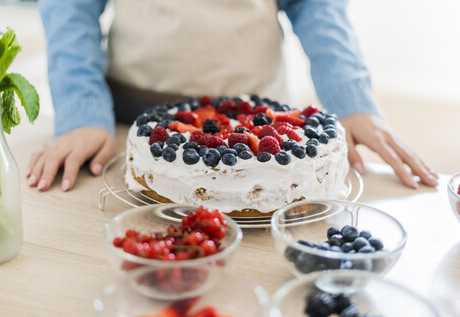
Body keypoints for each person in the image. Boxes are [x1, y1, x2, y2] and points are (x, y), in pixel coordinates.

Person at [29, 0, 438, 192]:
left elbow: (317, 6)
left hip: (262, 128)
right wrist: (81, 110)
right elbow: (70, 9)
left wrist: (352, 100)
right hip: (124, 130)